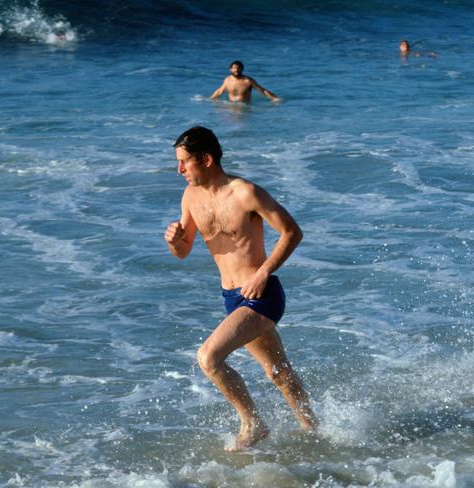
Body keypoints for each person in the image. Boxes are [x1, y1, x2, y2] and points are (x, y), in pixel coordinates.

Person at [164, 126, 317, 451]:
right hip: (231, 298)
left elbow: (292, 232)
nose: (179, 170)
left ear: (205, 159)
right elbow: (184, 251)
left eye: (184, 162)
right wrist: (175, 242)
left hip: (261, 296)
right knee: (277, 372)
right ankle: (314, 430)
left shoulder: (245, 193)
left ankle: (253, 424)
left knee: (209, 358)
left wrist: (263, 272)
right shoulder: (191, 197)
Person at [211, 60, 280, 103]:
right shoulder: (227, 80)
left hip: (244, 107)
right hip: (231, 106)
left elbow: (262, 90)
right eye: (234, 68)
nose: (236, 70)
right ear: (230, 69)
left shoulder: (248, 81)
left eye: (239, 68)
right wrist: (211, 99)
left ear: (242, 69)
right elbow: (219, 91)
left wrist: (275, 98)